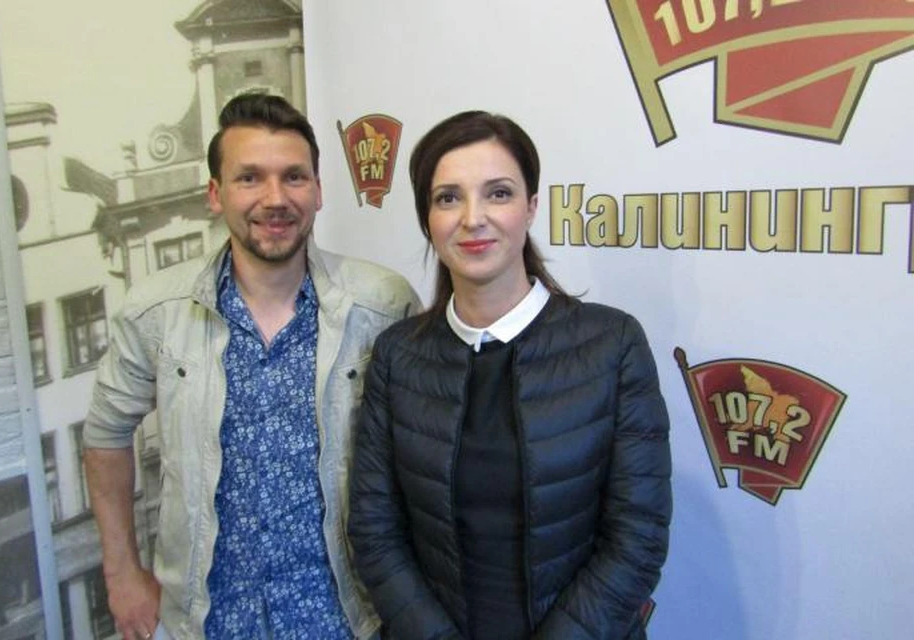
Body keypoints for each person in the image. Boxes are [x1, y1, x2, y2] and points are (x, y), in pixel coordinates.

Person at [84, 93, 420, 640]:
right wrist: (121, 573)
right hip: (210, 621)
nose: (275, 198)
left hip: (343, 620)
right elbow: (105, 436)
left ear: (318, 191)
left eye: (294, 177)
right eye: (249, 178)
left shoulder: (382, 305)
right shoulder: (155, 313)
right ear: (216, 194)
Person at [348, 111, 672, 640]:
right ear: (427, 218)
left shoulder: (612, 345)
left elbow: (638, 537)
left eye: (498, 193)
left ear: (531, 207)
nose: (473, 218)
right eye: (448, 198)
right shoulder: (397, 357)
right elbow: (375, 532)